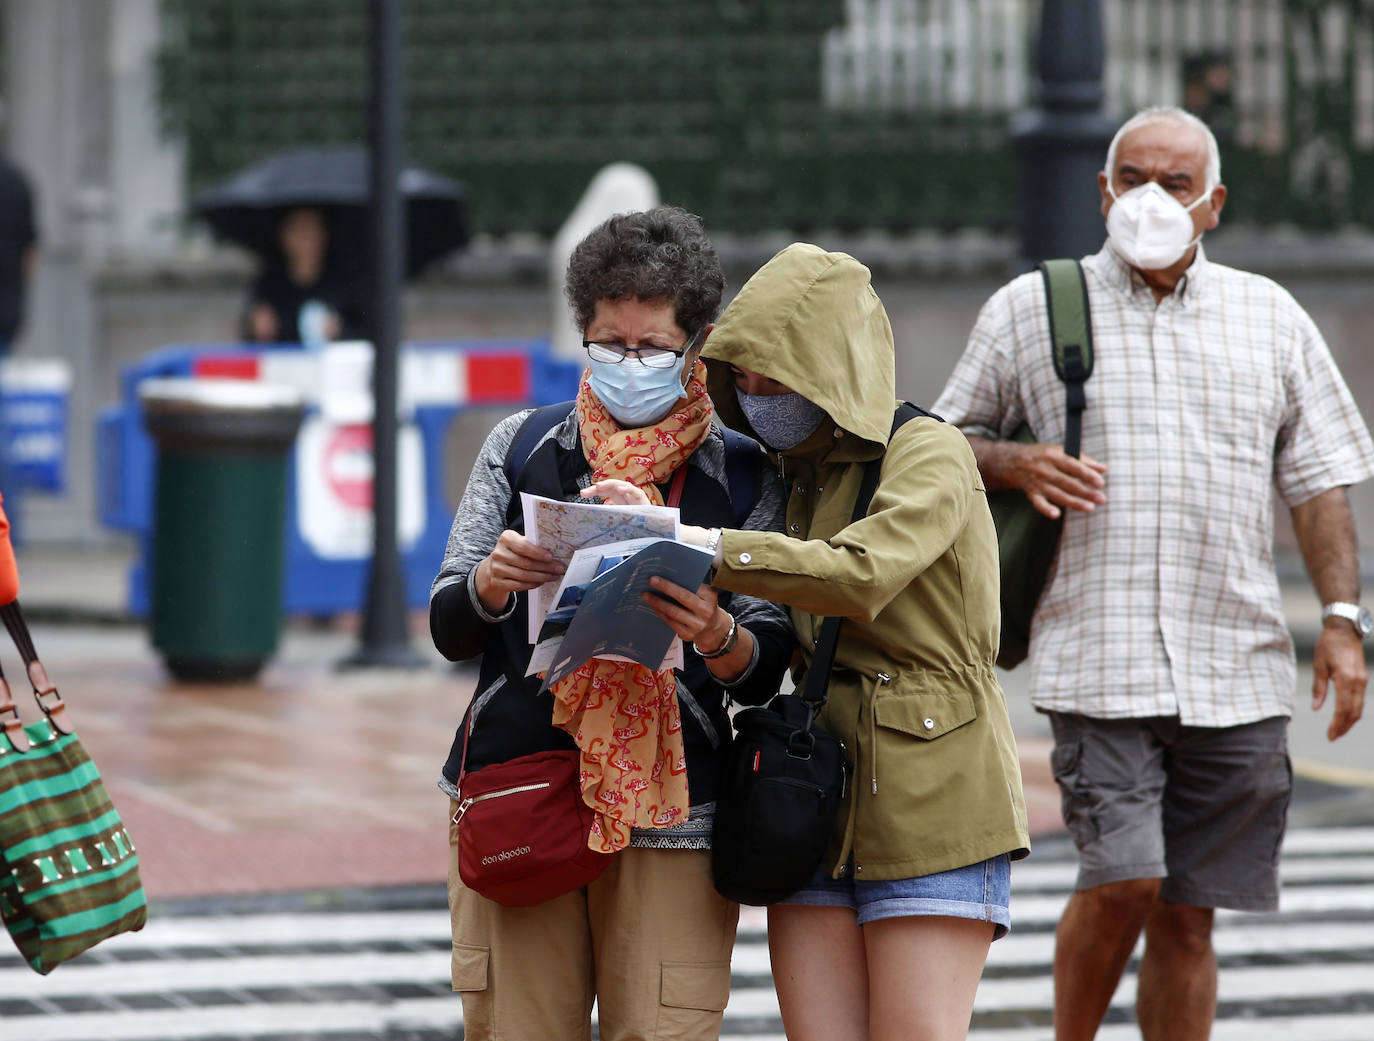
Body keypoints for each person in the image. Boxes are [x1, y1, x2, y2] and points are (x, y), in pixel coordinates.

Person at [933, 105, 1374, 1041]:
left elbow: (1318, 482)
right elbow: (930, 442)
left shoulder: (1272, 319)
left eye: (1176, 183)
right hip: (1098, 655)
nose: (1150, 199)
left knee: (1187, 910)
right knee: (1124, 875)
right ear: (1102, 191)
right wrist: (1014, 461)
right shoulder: (1032, 307)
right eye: (1131, 178)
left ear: (1213, 203)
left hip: (1238, 661)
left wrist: (1341, 617)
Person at [593, 242, 1031, 1041]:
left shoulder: (928, 452)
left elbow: (861, 574)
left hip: (934, 788)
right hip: (810, 788)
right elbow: (773, 636)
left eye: (776, 379)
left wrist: (703, 546)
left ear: (832, 371)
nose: (756, 397)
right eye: (744, 378)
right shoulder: (787, 473)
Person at [429, 205, 792, 1041]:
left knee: (663, 1027)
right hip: (522, 786)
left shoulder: (738, 474)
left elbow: (767, 658)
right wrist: (490, 583)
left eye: (651, 347)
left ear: (696, 341)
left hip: (673, 814)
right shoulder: (524, 446)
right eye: (608, 343)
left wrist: (712, 632)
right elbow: (450, 626)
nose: (628, 364)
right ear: (582, 332)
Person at [241, 205, 363, 345]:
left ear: (324, 234)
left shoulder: (345, 280)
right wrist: (257, 328)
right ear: (283, 235)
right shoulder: (270, 282)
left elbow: (366, 330)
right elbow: (249, 336)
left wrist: (340, 332)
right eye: (297, 230)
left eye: (311, 229)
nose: (304, 238)